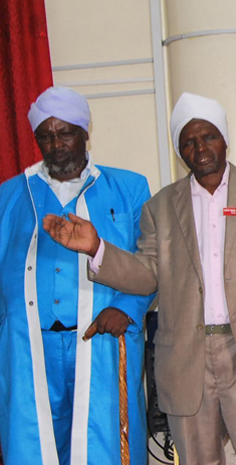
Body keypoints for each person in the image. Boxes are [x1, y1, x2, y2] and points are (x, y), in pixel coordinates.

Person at [43, 92, 236, 464]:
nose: (200, 147)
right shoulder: (159, 207)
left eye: (208, 136)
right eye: (188, 142)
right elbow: (147, 276)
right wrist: (97, 248)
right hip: (187, 359)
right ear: (181, 151)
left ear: (224, 139)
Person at [0, 86, 153, 464]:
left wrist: (128, 309)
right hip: (30, 347)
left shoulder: (128, 188)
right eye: (46, 136)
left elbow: (151, 262)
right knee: (32, 445)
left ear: (85, 132)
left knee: (102, 446)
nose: (57, 145)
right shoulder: (9, 196)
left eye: (66, 133)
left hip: (101, 340)